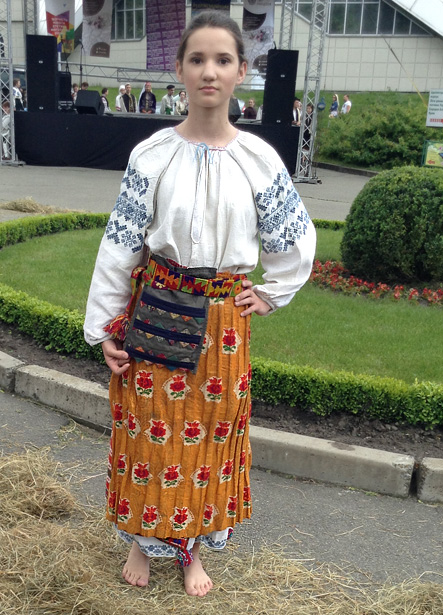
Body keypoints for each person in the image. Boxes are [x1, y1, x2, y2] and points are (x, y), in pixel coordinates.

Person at [84, 9, 316, 598]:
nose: (209, 71)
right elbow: (121, 244)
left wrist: (271, 290)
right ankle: (142, 540)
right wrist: (105, 328)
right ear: (180, 71)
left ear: (241, 71)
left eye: (222, 60)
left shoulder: (260, 160)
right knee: (150, 431)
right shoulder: (152, 156)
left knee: (211, 437)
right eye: (196, 59)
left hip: (222, 325)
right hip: (156, 309)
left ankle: (192, 552)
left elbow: (293, 236)